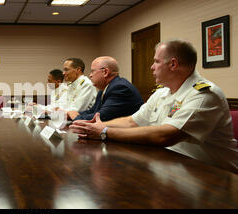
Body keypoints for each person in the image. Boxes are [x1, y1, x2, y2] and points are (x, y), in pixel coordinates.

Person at [69, 39, 238, 173]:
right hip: (172, 166)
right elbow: (132, 121)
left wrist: (105, 133)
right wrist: (95, 126)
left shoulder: (203, 94)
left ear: (173, 64)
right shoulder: (162, 93)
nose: (151, 67)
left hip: (212, 175)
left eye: (156, 61)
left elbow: (166, 136)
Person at [67, 56, 143, 121]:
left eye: (92, 71)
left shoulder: (120, 88)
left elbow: (101, 117)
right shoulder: (104, 89)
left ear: (105, 72)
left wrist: (76, 117)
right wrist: (70, 115)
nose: (90, 75)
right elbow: (93, 111)